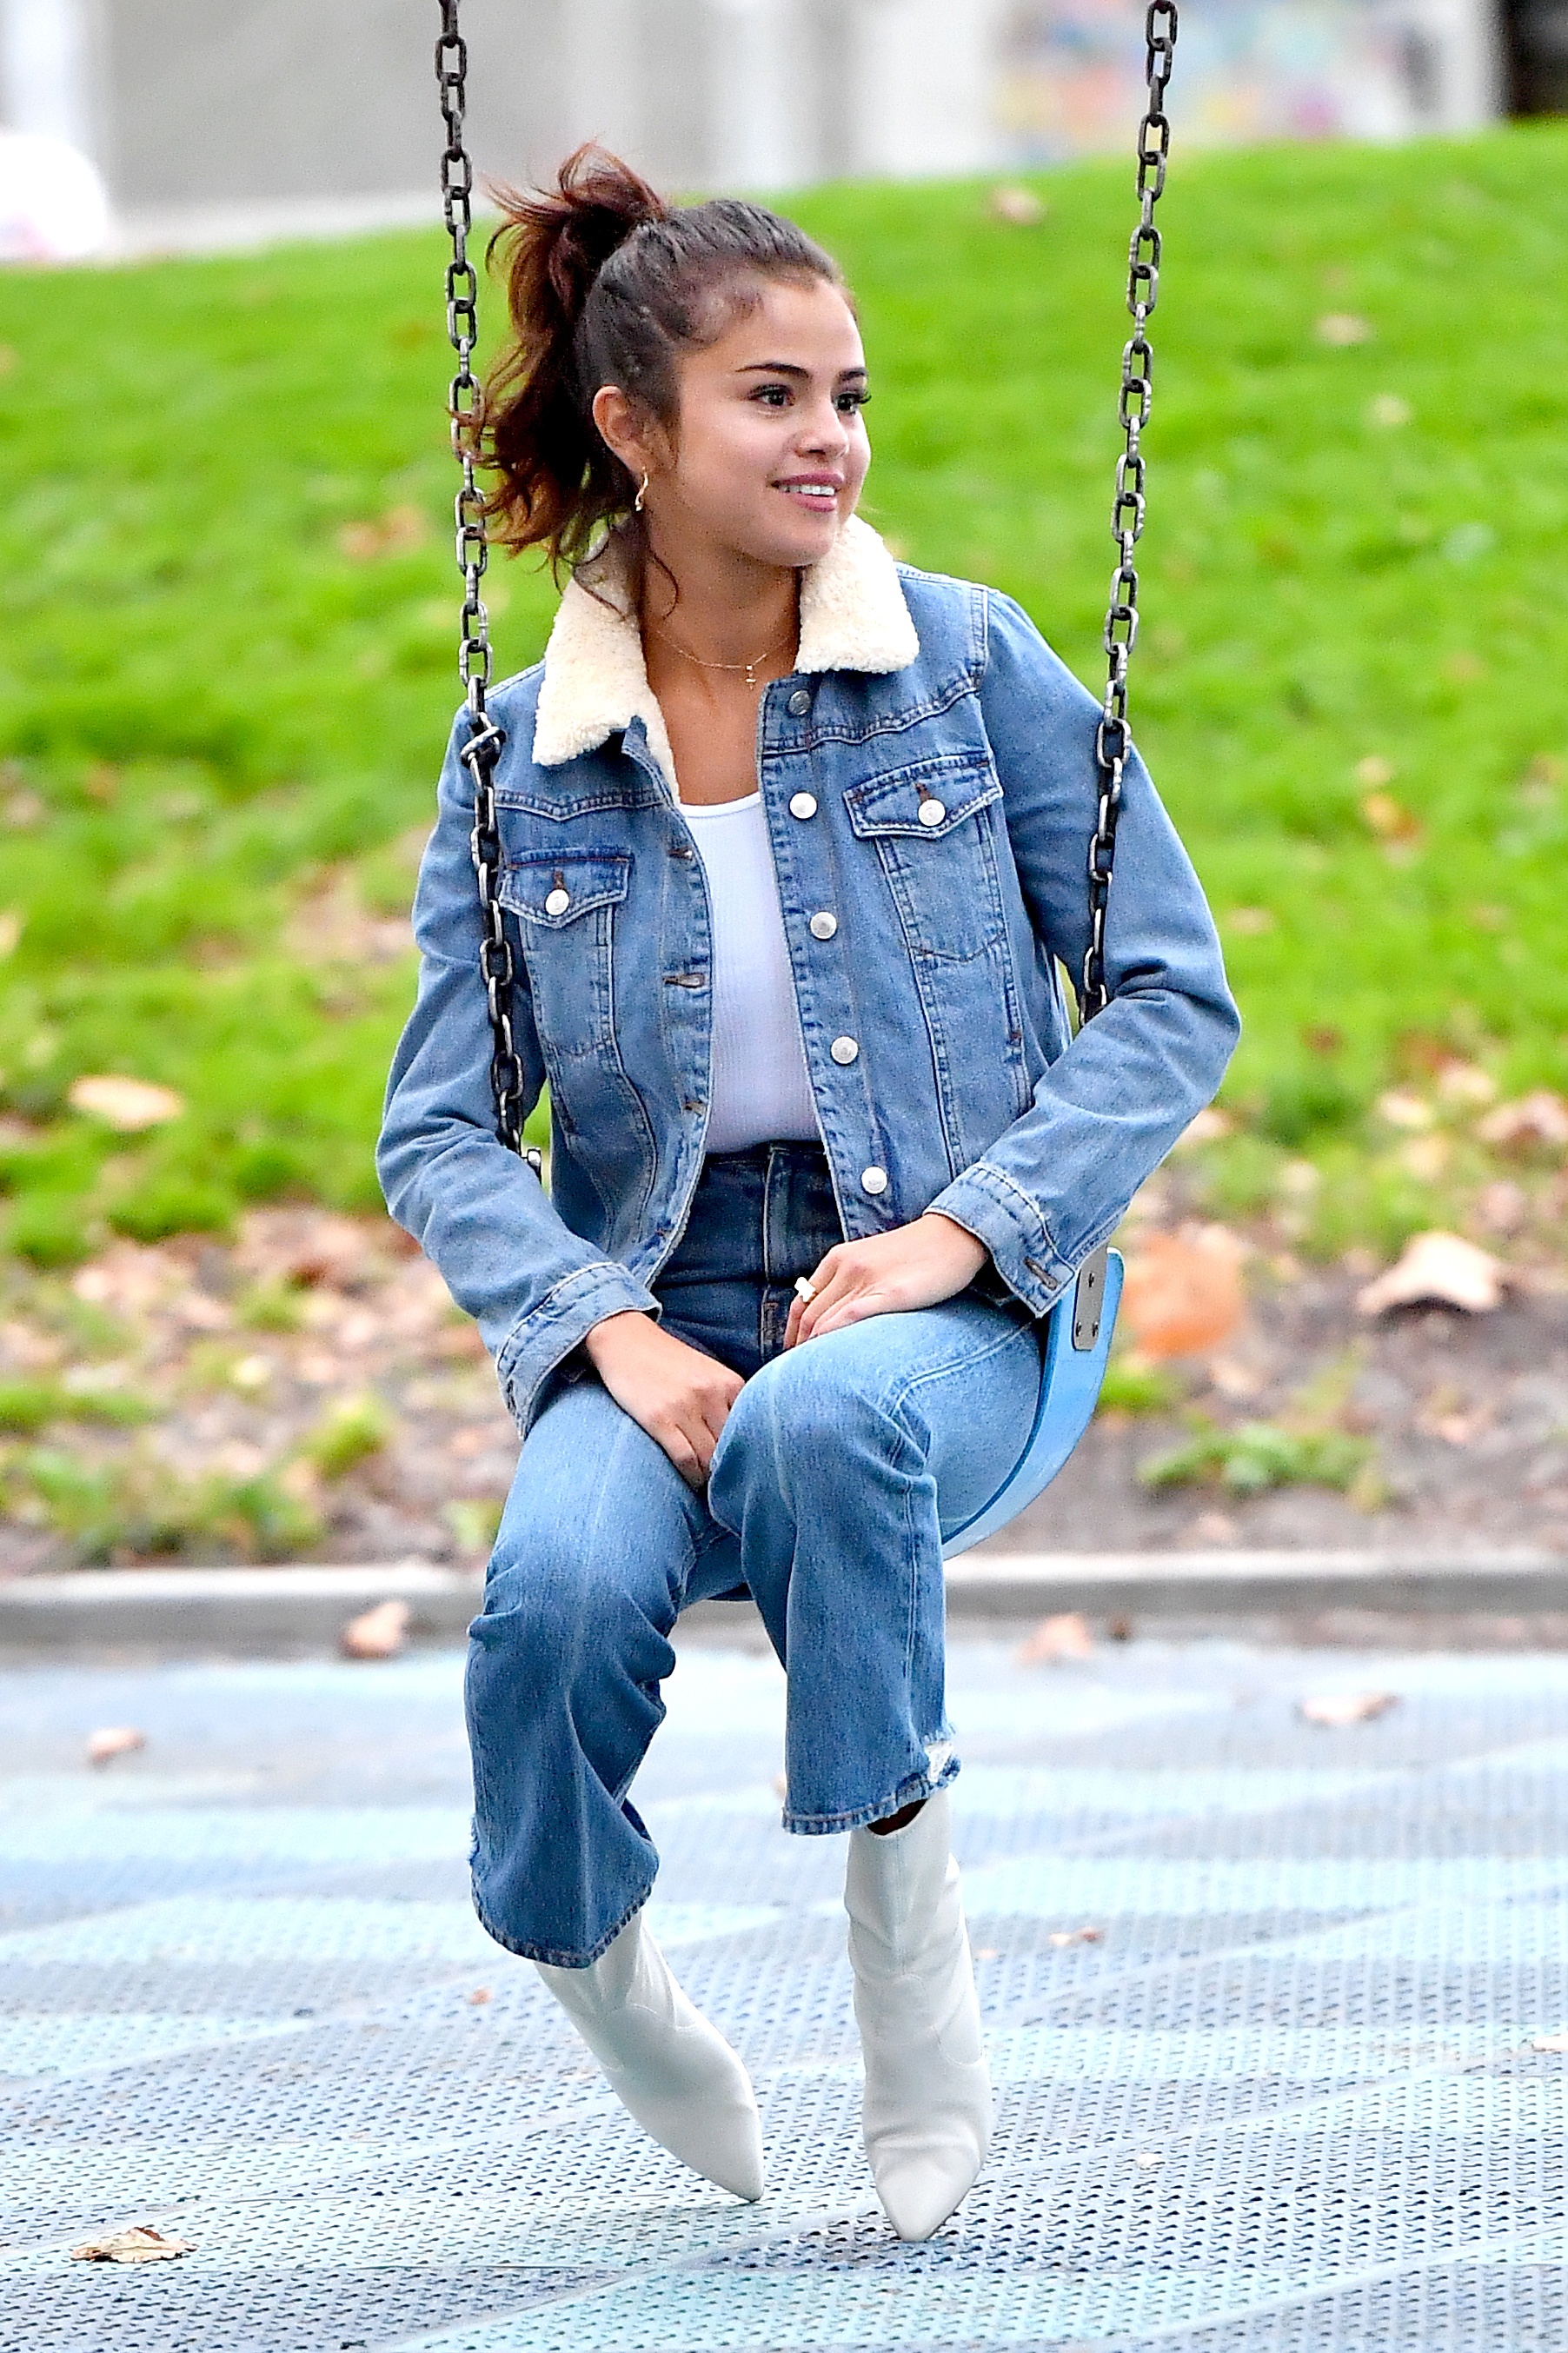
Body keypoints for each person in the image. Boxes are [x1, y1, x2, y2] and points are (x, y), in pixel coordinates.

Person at [378, 144, 1238, 2241]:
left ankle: (907, 1961)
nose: (827, 437)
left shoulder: (965, 665)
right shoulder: (517, 759)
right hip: (660, 1305)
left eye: (844, 394)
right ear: (633, 428)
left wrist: (964, 1232)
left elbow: (1165, 997)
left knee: (827, 1423)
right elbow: (437, 1131)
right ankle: (596, 1961)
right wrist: (601, 1325)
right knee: (552, 1608)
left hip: (961, 1304)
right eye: (770, 396)